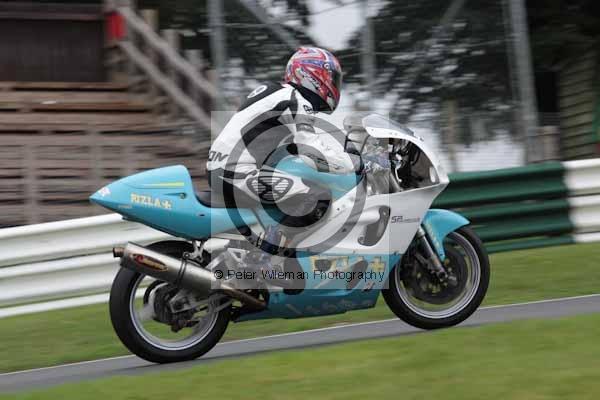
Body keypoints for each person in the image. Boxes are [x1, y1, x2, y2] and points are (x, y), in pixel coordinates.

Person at [207, 47, 356, 253]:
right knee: (317, 198)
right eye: (332, 78)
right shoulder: (295, 99)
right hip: (236, 172)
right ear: (312, 74)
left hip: (225, 168)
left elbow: (299, 148)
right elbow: (312, 151)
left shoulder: (279, 93)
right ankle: (265, 257)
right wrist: (352, 164)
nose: (334, 85)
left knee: (295, 189)